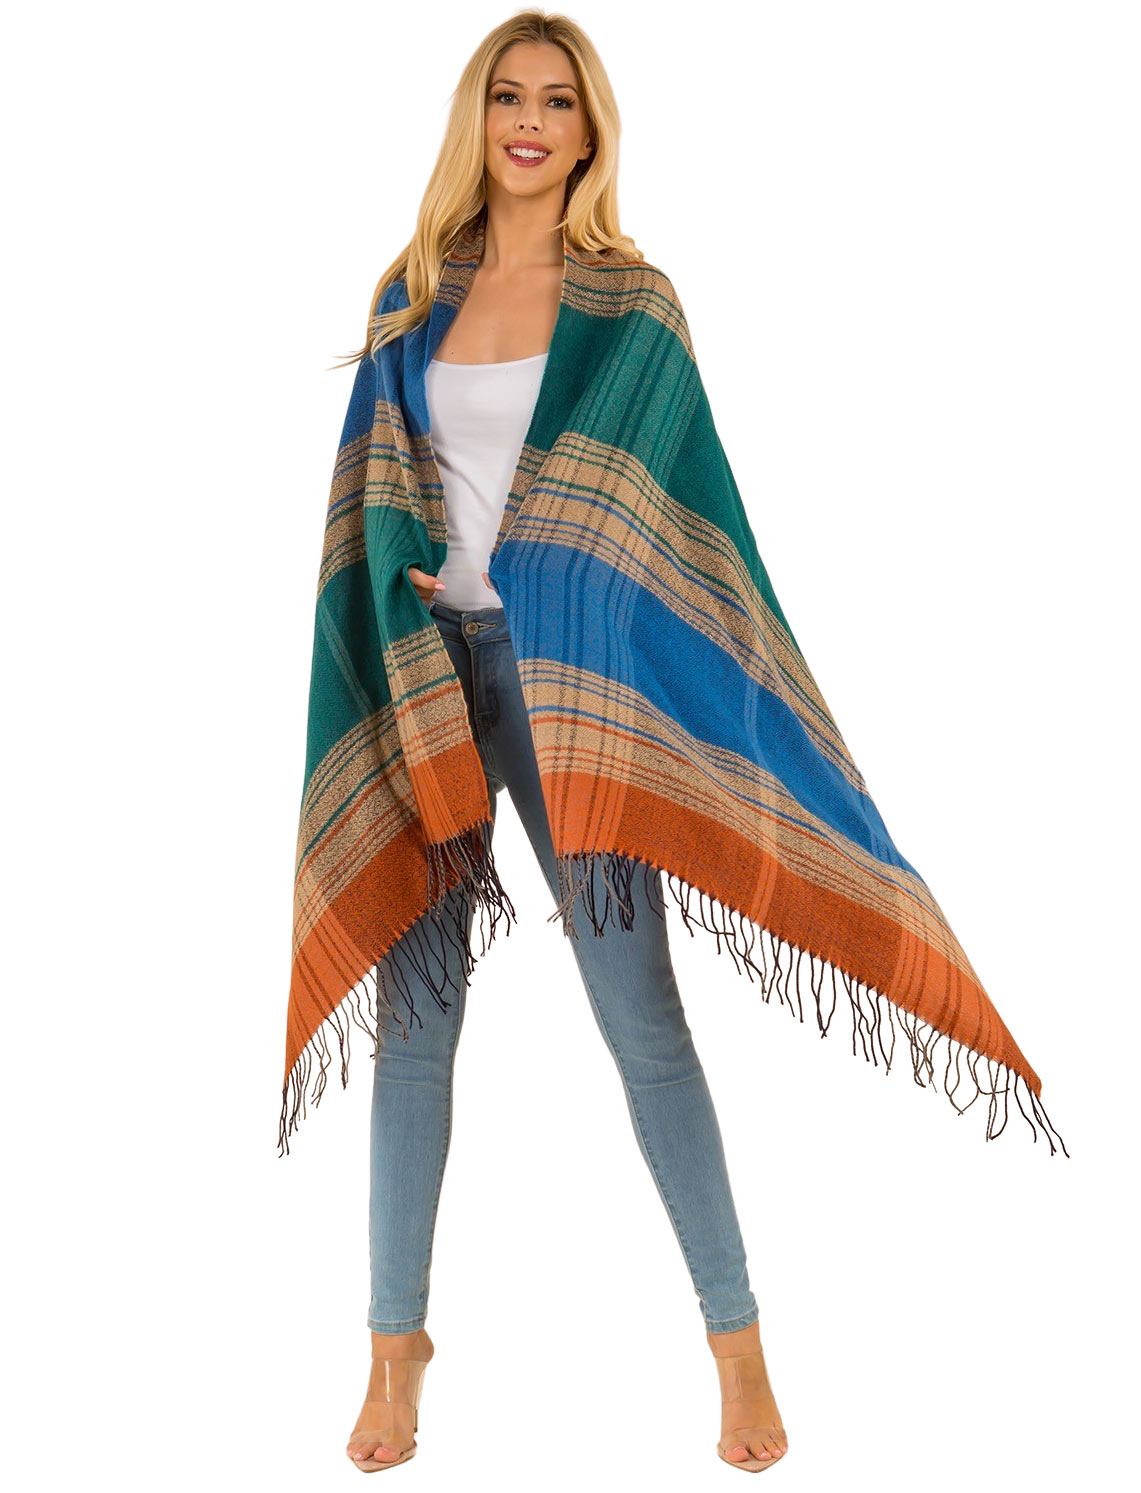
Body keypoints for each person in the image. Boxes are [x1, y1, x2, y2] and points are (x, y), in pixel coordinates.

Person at [340, 11, 789, 1478]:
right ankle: (393, 1349)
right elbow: (371, 495)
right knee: (415, 1024)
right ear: (476, 119)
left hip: (572, 690)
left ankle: (735, 1341)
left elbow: (679, 519)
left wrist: (552, 580)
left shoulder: (632, 306)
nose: (529, 123)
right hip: (430, 675)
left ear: (591, 130)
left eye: (557, 101)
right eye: (507, 98)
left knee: (639, 1017)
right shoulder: (412, 293)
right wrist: (409, 566)